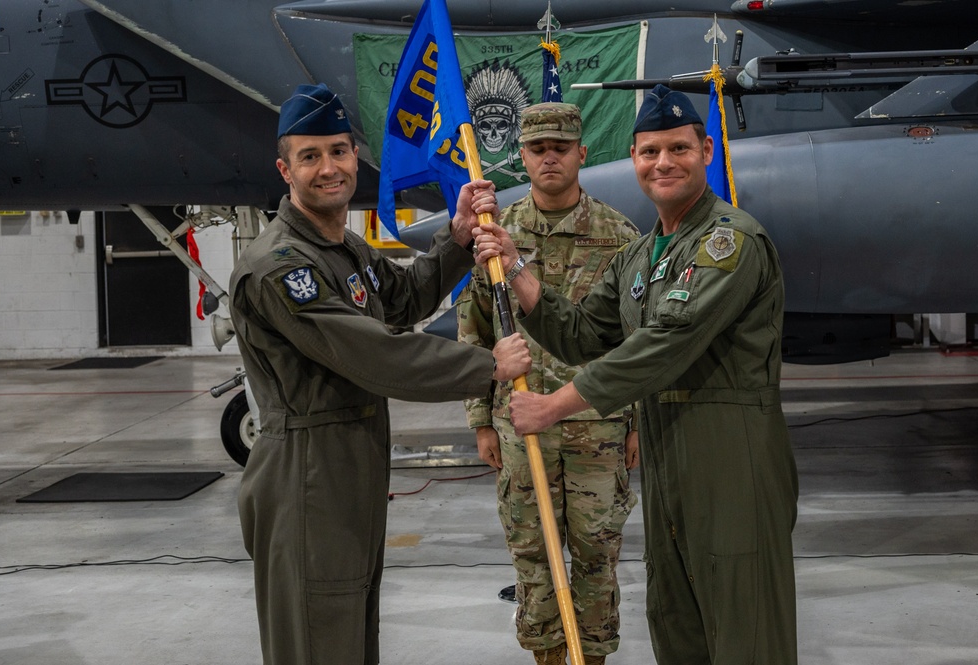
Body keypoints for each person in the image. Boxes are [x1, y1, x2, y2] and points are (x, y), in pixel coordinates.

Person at [474, 84, 799, 665]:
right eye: (649, 152)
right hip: (668, 448)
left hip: (731, 455)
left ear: (704, 151)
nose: (663, 163)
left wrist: (553, 407)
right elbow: (579, 333)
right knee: (678, 621)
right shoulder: (643, 254)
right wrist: (516, 264)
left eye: (678, 148)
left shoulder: (729, 241)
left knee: (743, 626)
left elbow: (665, 342)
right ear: (633, 160)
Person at [228, 83, 532, 665]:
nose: (329, 168)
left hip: (348, 466)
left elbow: (402, 297)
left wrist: (459, 236)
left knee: (346, 632)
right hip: (306, 472)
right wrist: (487, 367)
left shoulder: (342, 250)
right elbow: (376, 353)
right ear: (284, 170)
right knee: (321, 640)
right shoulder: (280, 266)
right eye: (310, 156)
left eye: (339, 152)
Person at [457, 102, 640, 665]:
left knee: (595, 558)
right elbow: (476, 328)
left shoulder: (620, 236)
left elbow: (639, 342)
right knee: (534, 559)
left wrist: (638, 424)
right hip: (522, 429)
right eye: (538, 149)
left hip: (598, 430)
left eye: (561, 147)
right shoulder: (496, 236)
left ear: (582, 154)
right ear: (523, 158)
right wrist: (481, 420)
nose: (550, 157)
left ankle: (593, 659)